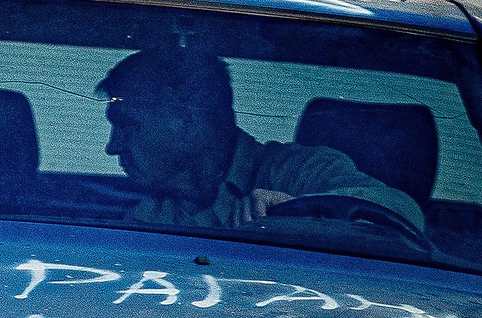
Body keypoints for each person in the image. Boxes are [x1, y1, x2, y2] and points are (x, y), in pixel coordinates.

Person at [99, 47, 425, 234]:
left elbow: (402, 212)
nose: (113, 146)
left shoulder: (300, 171)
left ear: (185, 125)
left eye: (127, 126)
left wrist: (299, 211)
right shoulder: (147, 214)